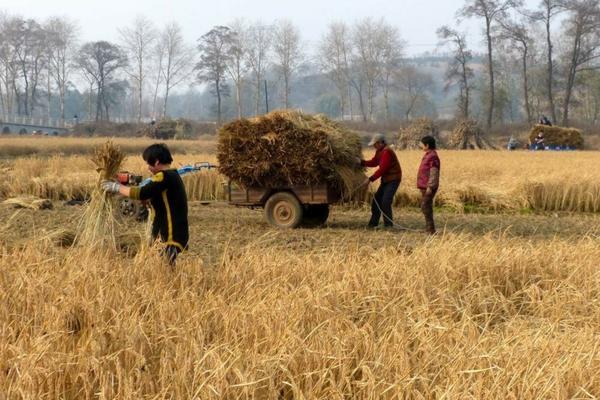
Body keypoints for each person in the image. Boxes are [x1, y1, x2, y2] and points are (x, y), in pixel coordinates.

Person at [101, 143, 189, 265]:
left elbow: (142, 193)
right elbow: (154, 197)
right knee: (164, 267)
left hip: (170, 235)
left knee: (164, 266)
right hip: (173, 233)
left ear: (157, 162)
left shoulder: (163, 177)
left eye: (148, 163)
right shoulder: (173, 176)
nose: (148, 167)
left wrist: (116, 187)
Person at [358, 133, 402, 228]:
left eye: (375, 144)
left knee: (385, 201)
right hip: (386, 180)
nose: (374, 146)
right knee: (377, 201)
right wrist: (361, 162)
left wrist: (370, 179)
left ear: (380, 143)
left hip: (393, 179)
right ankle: (373, 224)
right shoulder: (379, 151)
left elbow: (383, 169)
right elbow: (374, 162)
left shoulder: (387, 152)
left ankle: (388, 225)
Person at [417, 136, 441, 234]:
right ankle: (429, 229)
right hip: (424, 186)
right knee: (427, 207)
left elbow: (434, 172)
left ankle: (431, 230)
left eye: (422, 145)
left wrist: (430, 187)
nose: (421, 146)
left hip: (428, 187)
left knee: (425, 206)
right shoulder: (428, 155)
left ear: (427, 145)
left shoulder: (433, 157)